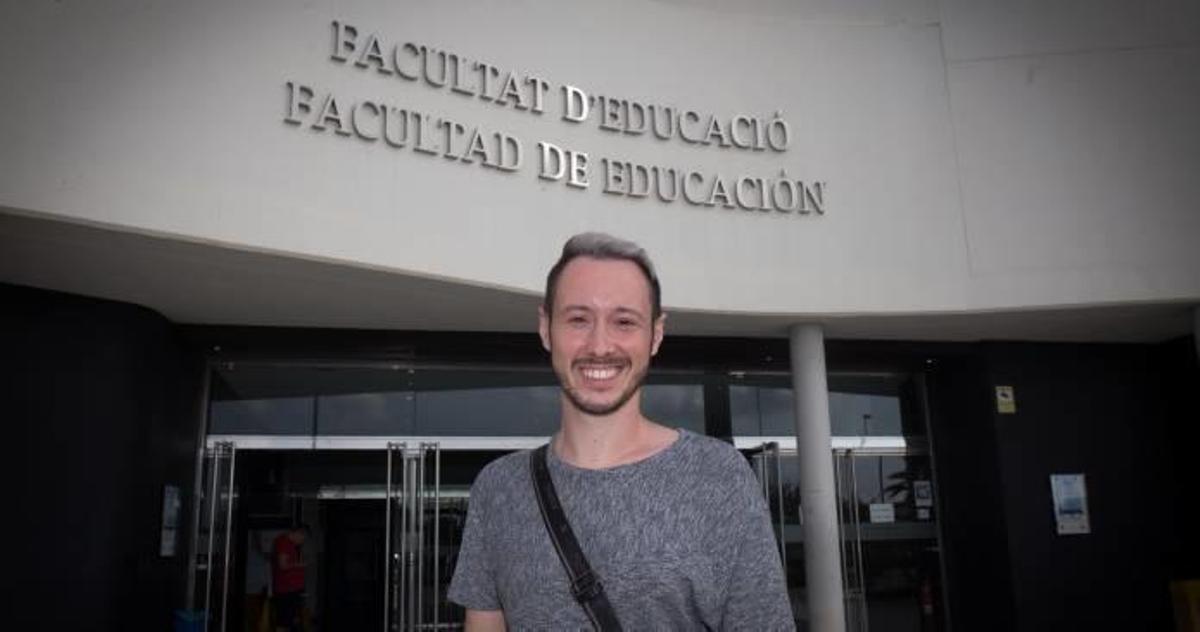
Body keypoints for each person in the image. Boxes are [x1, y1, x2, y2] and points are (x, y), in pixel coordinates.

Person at [448, 232, 794, 630]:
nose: (599, 345)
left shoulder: (719, 476)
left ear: (656, 335)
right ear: (545, 328)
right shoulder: (498, 489)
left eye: (624, 322)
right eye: (578, 319)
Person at [271, 525, 308, 632]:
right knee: (284, 622)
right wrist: (299, 565)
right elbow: (282, 565)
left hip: (291, 589)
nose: (302, 541)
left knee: (291, 620)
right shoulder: (284, 542)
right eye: (302, 538)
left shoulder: (289, 544)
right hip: (286, 589)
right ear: (298, 533)